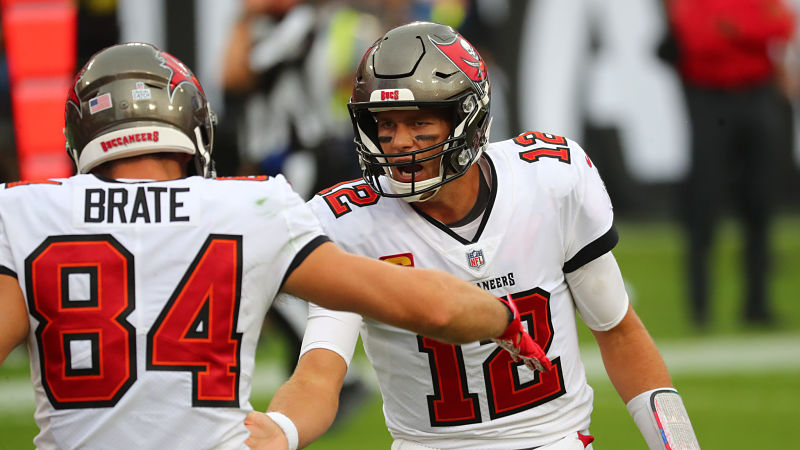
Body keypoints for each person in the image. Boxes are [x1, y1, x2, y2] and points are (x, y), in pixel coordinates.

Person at [0, 42, 549, 450]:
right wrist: (504, 322)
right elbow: (433, 307)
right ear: (193, 126)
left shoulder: (25, 211)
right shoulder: (248, 206)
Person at [244, 22, 701, 450]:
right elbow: (319, 374)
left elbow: (619, 332)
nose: (398, 141)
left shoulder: (550, 182)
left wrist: (680, 444)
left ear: (468, 118)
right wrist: (281, 430)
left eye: (418, 122)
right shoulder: (347, 223)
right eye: (385, 124)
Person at [664, 0, 796, 328]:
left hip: (758, 96)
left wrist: (734, 29)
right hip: (711, 99)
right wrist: (753, 34)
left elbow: (784, 25)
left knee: (760, 202)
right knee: (704, 203)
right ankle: (700, 307)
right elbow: (699, 39)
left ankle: (757, 305)